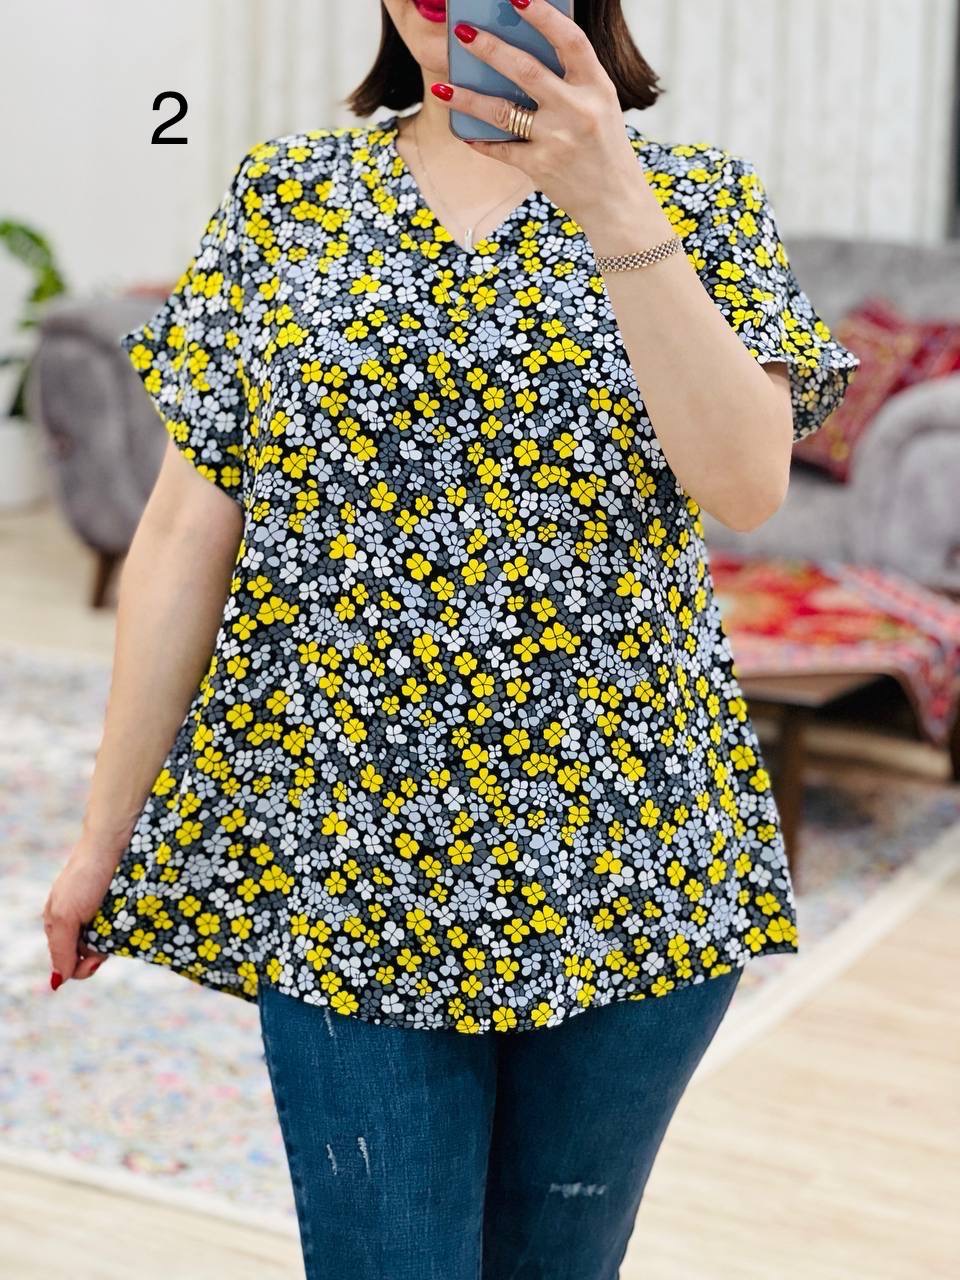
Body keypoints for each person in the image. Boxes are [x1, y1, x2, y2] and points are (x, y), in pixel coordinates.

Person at [42, 1, 860, 1275]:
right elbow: (182, 533)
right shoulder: (283, 199)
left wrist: (612, 198)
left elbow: (746, 484)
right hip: (345, 861)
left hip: (630, 862)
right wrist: (105, 833)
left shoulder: (694, 199)